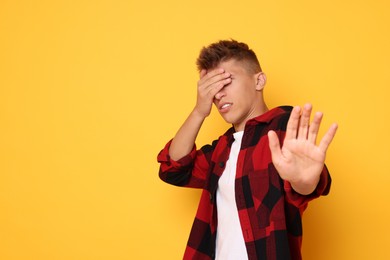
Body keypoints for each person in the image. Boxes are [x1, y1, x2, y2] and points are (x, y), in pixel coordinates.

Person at [157, 39, 338, 260]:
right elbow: (173, 169)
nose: (218, 95)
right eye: (212, 89)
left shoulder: (283, 128)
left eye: (226, 82)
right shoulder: (223, 148)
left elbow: (307, 184)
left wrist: (305, 181)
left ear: (259, 80)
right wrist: (198, 111)